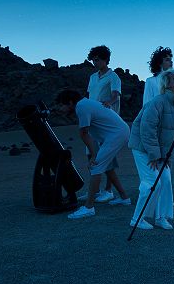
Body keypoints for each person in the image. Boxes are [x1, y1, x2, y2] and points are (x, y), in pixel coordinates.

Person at [56, 89, 132, 219]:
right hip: (115, 134)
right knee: (106, 167)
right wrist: (94, 153)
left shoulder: (81, 107)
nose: (60, 109)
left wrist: (93, 155)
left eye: (61, 105)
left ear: (70, 102)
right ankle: (124, 197)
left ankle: (89, 207)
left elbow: (84, 133)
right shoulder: (85, 104)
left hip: (116, 135)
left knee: (96, 166)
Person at [128, 69, 174, 230]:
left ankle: (161, 217)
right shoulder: (158, 102)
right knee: (152, 182)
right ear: (167, 83)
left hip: (157, 151)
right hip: (142, 148)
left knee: (166, 180)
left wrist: (166, 157)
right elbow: (147, 129)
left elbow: (170, 135)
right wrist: (154, 155)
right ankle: (137, 219)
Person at [143, 47, 174, 218]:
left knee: (169, 158)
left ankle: (167, 195)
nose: (170, 61)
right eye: (166, 59)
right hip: (158, 124)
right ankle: (158, 193)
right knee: (158, 160)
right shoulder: (151, 81)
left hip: (172, 125)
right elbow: (147, 104)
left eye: (170, 58)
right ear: (159, 62)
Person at [85, 45, 121, 202]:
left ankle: (109, 190)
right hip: (91, 120)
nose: (95, 62)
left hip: (106, 121)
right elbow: (90, 95)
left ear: (105, 59)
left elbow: (115, 95)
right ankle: (95, 190)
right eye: (93, 59)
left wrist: (109, 102)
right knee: (91, 153)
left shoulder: (113, 77)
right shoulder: (93, 77)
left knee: (105, 156)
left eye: (97, 59)